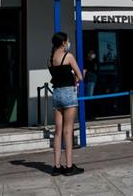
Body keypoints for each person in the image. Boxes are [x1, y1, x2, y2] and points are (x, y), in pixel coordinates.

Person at [48, 32, 84, 176]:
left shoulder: (50, 59)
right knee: (68, 131)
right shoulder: (68, 56)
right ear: (63, 43)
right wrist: (75, 77)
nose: (69, 43)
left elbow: (56, 76)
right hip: (68, 93)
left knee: (58, 132)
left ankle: (57, 166)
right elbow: (80, 76)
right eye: (68, 41)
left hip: (56, 94)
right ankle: (69, 166)